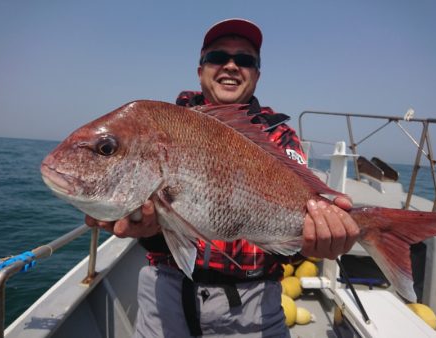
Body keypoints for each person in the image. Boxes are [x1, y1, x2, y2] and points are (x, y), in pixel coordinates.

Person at [85, 18, 360, 337]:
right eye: (217, 57)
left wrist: (321, 241)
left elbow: (292, 232)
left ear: (257, 74)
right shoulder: (165, 125)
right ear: (200, 69)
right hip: (165, 300)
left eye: (244, 60)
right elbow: (161, 218)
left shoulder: (278, 136)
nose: (231, 66)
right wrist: (144, 228)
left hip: (253, 305)